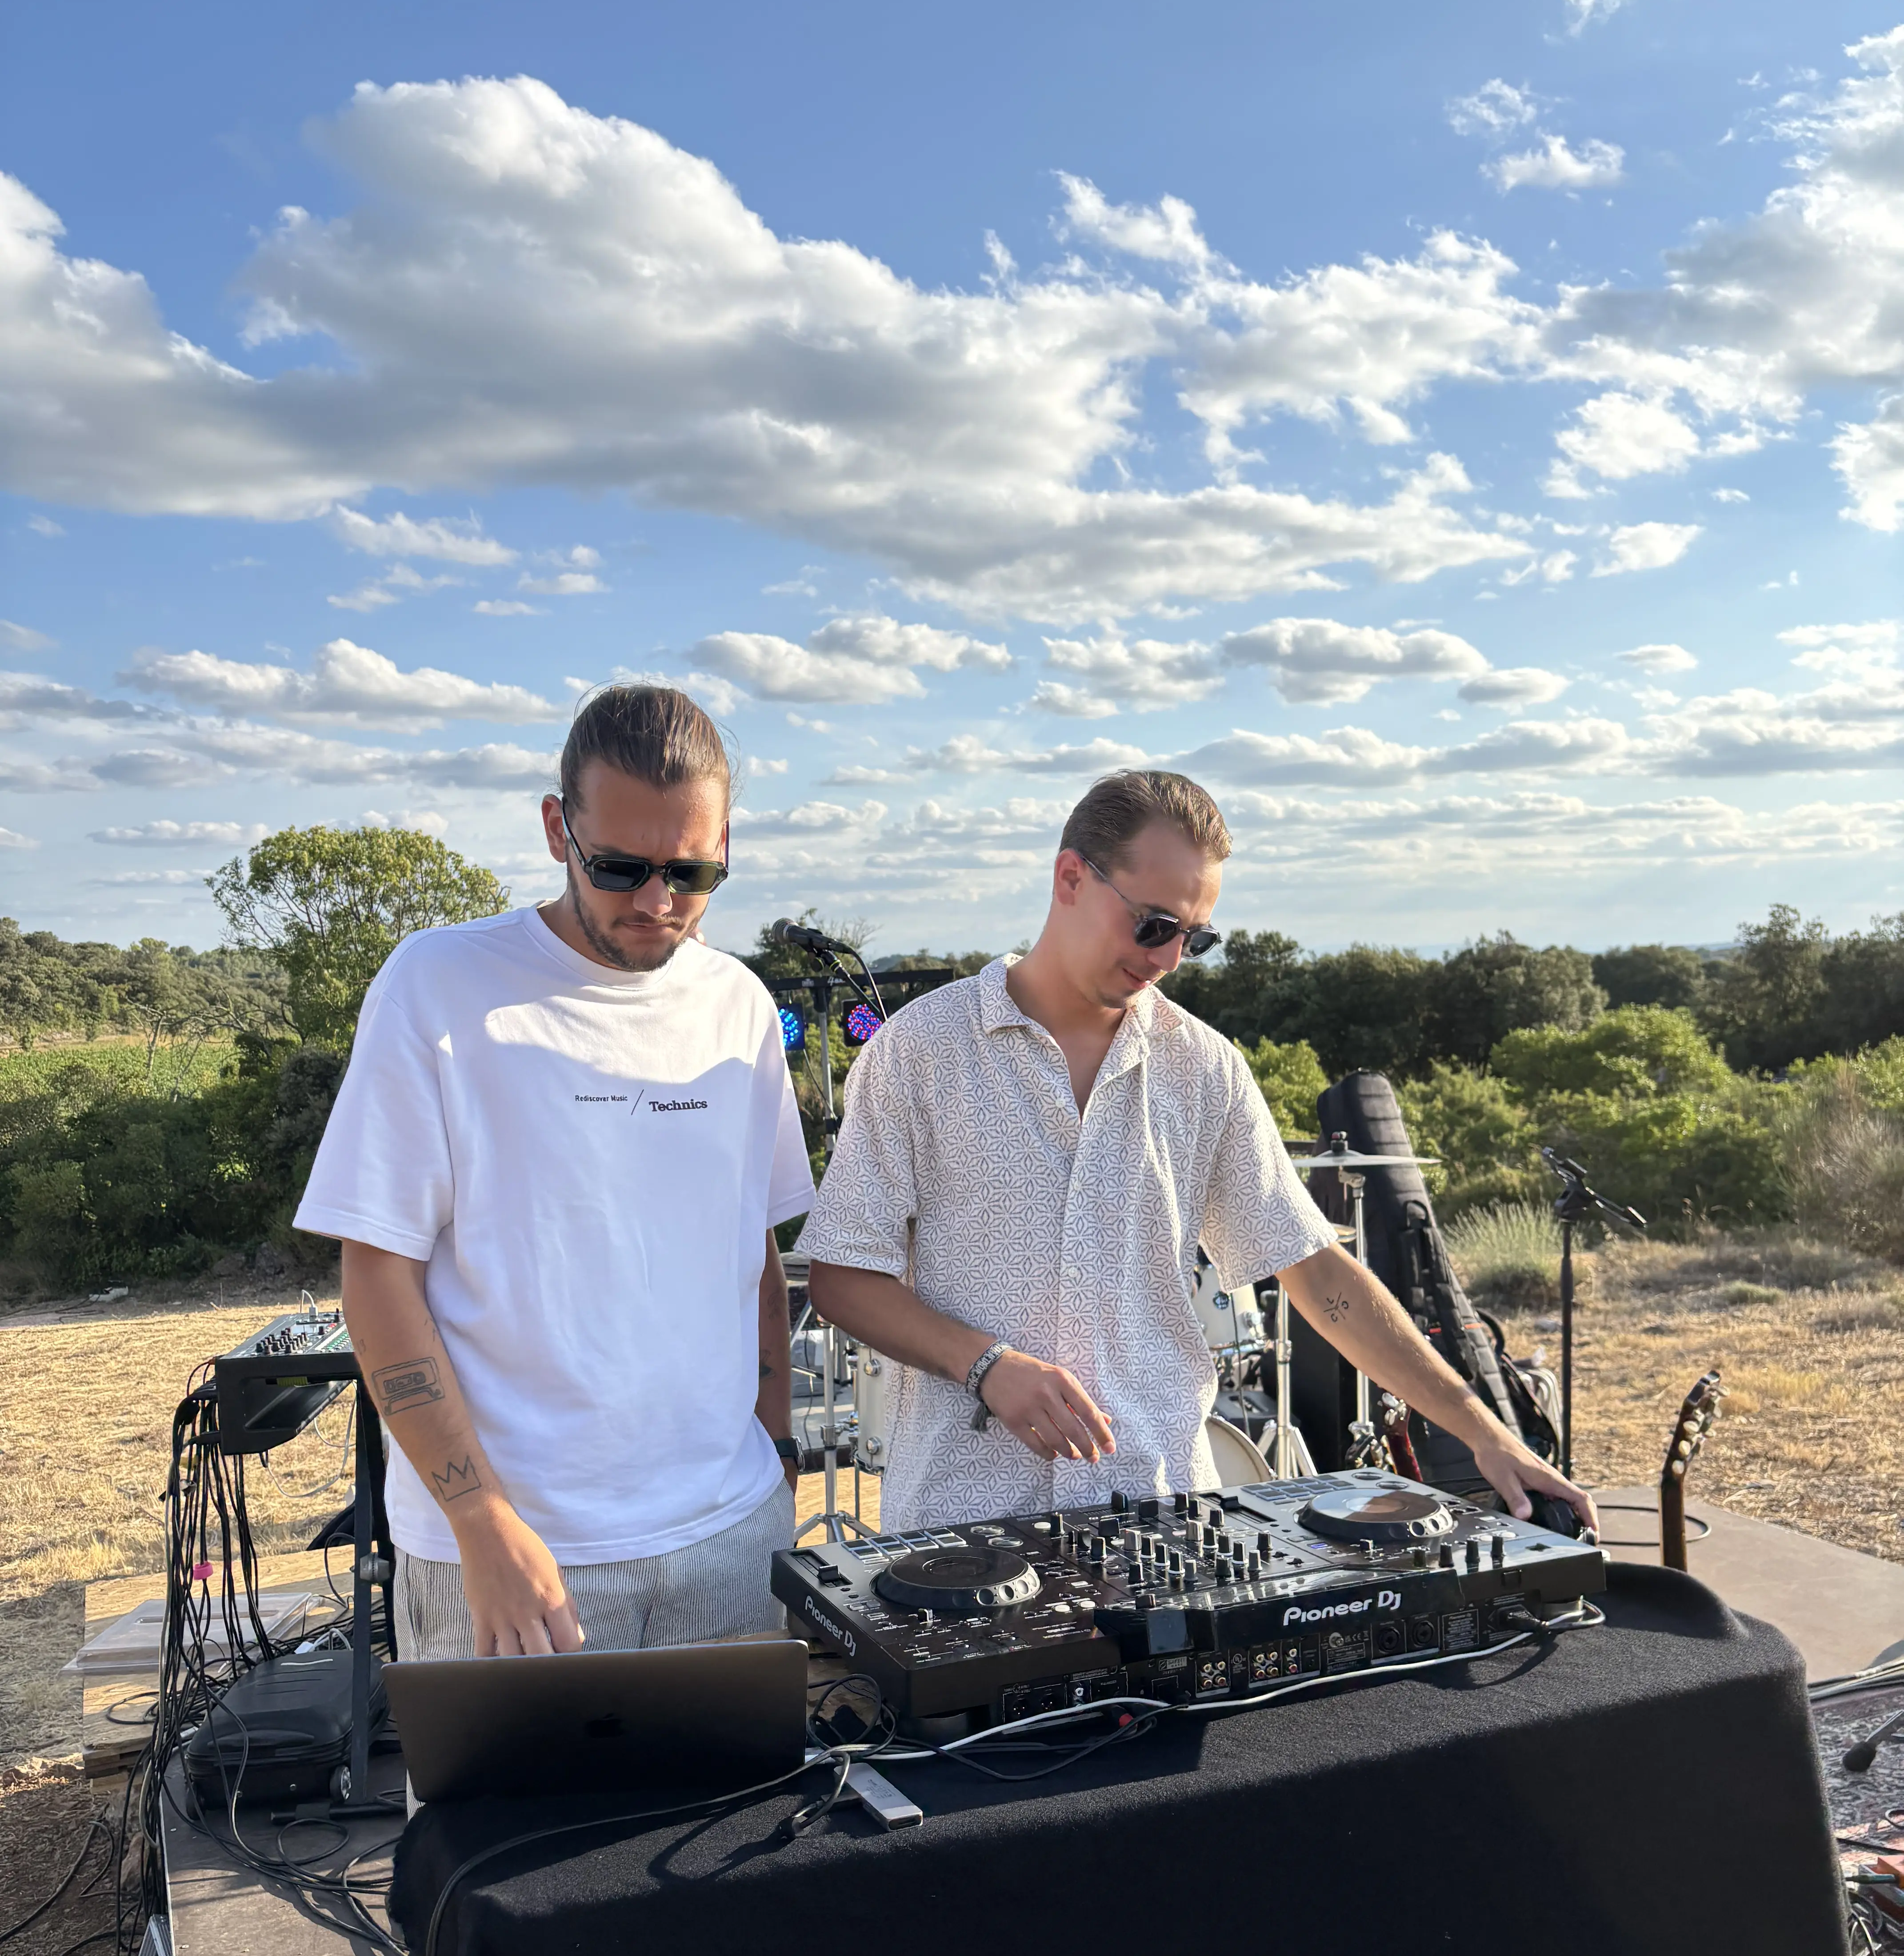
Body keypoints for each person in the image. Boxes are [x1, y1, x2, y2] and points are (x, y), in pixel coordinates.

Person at [802, 769, 1594, 1535]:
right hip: (964, 1522)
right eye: (1154, 925)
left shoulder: (1205, 1067)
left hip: (1164, 1514)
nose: (1170, 959)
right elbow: (843, 1277)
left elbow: (1317, 1273)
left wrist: (1487, 1431)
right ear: (1071, 878)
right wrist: (986, 1365)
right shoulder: (920, 1051)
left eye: (1195, 937)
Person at [294, 683, 817, 1660]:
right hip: (514, 1559)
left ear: (726, 844)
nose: (657, 902)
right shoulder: (437, 986)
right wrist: (480, 1521)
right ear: (555, 828)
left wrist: (779, 1452)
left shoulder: (739, 1005)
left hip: (732, 1537)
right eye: (619, 867)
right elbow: (377, 1276)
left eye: (692, 871)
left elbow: (752, 1257)